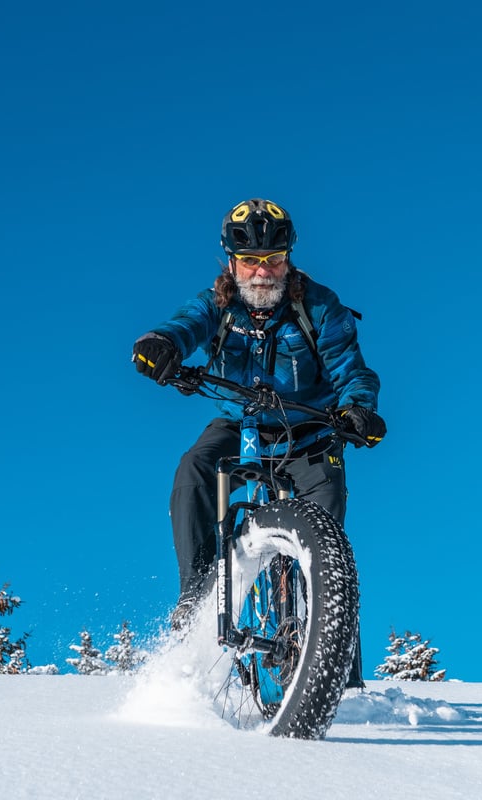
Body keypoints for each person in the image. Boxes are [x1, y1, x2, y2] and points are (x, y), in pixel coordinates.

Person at [132, 198, 385, 686]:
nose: (262, 271)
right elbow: (184, 326)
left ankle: (337, 669)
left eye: (273, 259)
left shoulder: (319, 305)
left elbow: (351, 369)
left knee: (328, 531)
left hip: (309, 431)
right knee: (194, 472)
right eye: (251, 261)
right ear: (231, 261)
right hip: (239, 424)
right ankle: (197, 599)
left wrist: (359, 408)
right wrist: (161, 345)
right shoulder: (217, 303)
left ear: (288, 257)